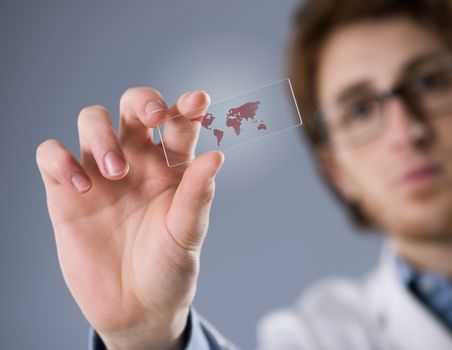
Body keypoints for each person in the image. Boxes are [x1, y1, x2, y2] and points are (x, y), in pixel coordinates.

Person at [35, 0, 452, 349]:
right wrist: (147, 336)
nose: (407, 130)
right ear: (336, 168)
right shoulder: (316, 337)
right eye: (359, 110)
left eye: (431, 83)